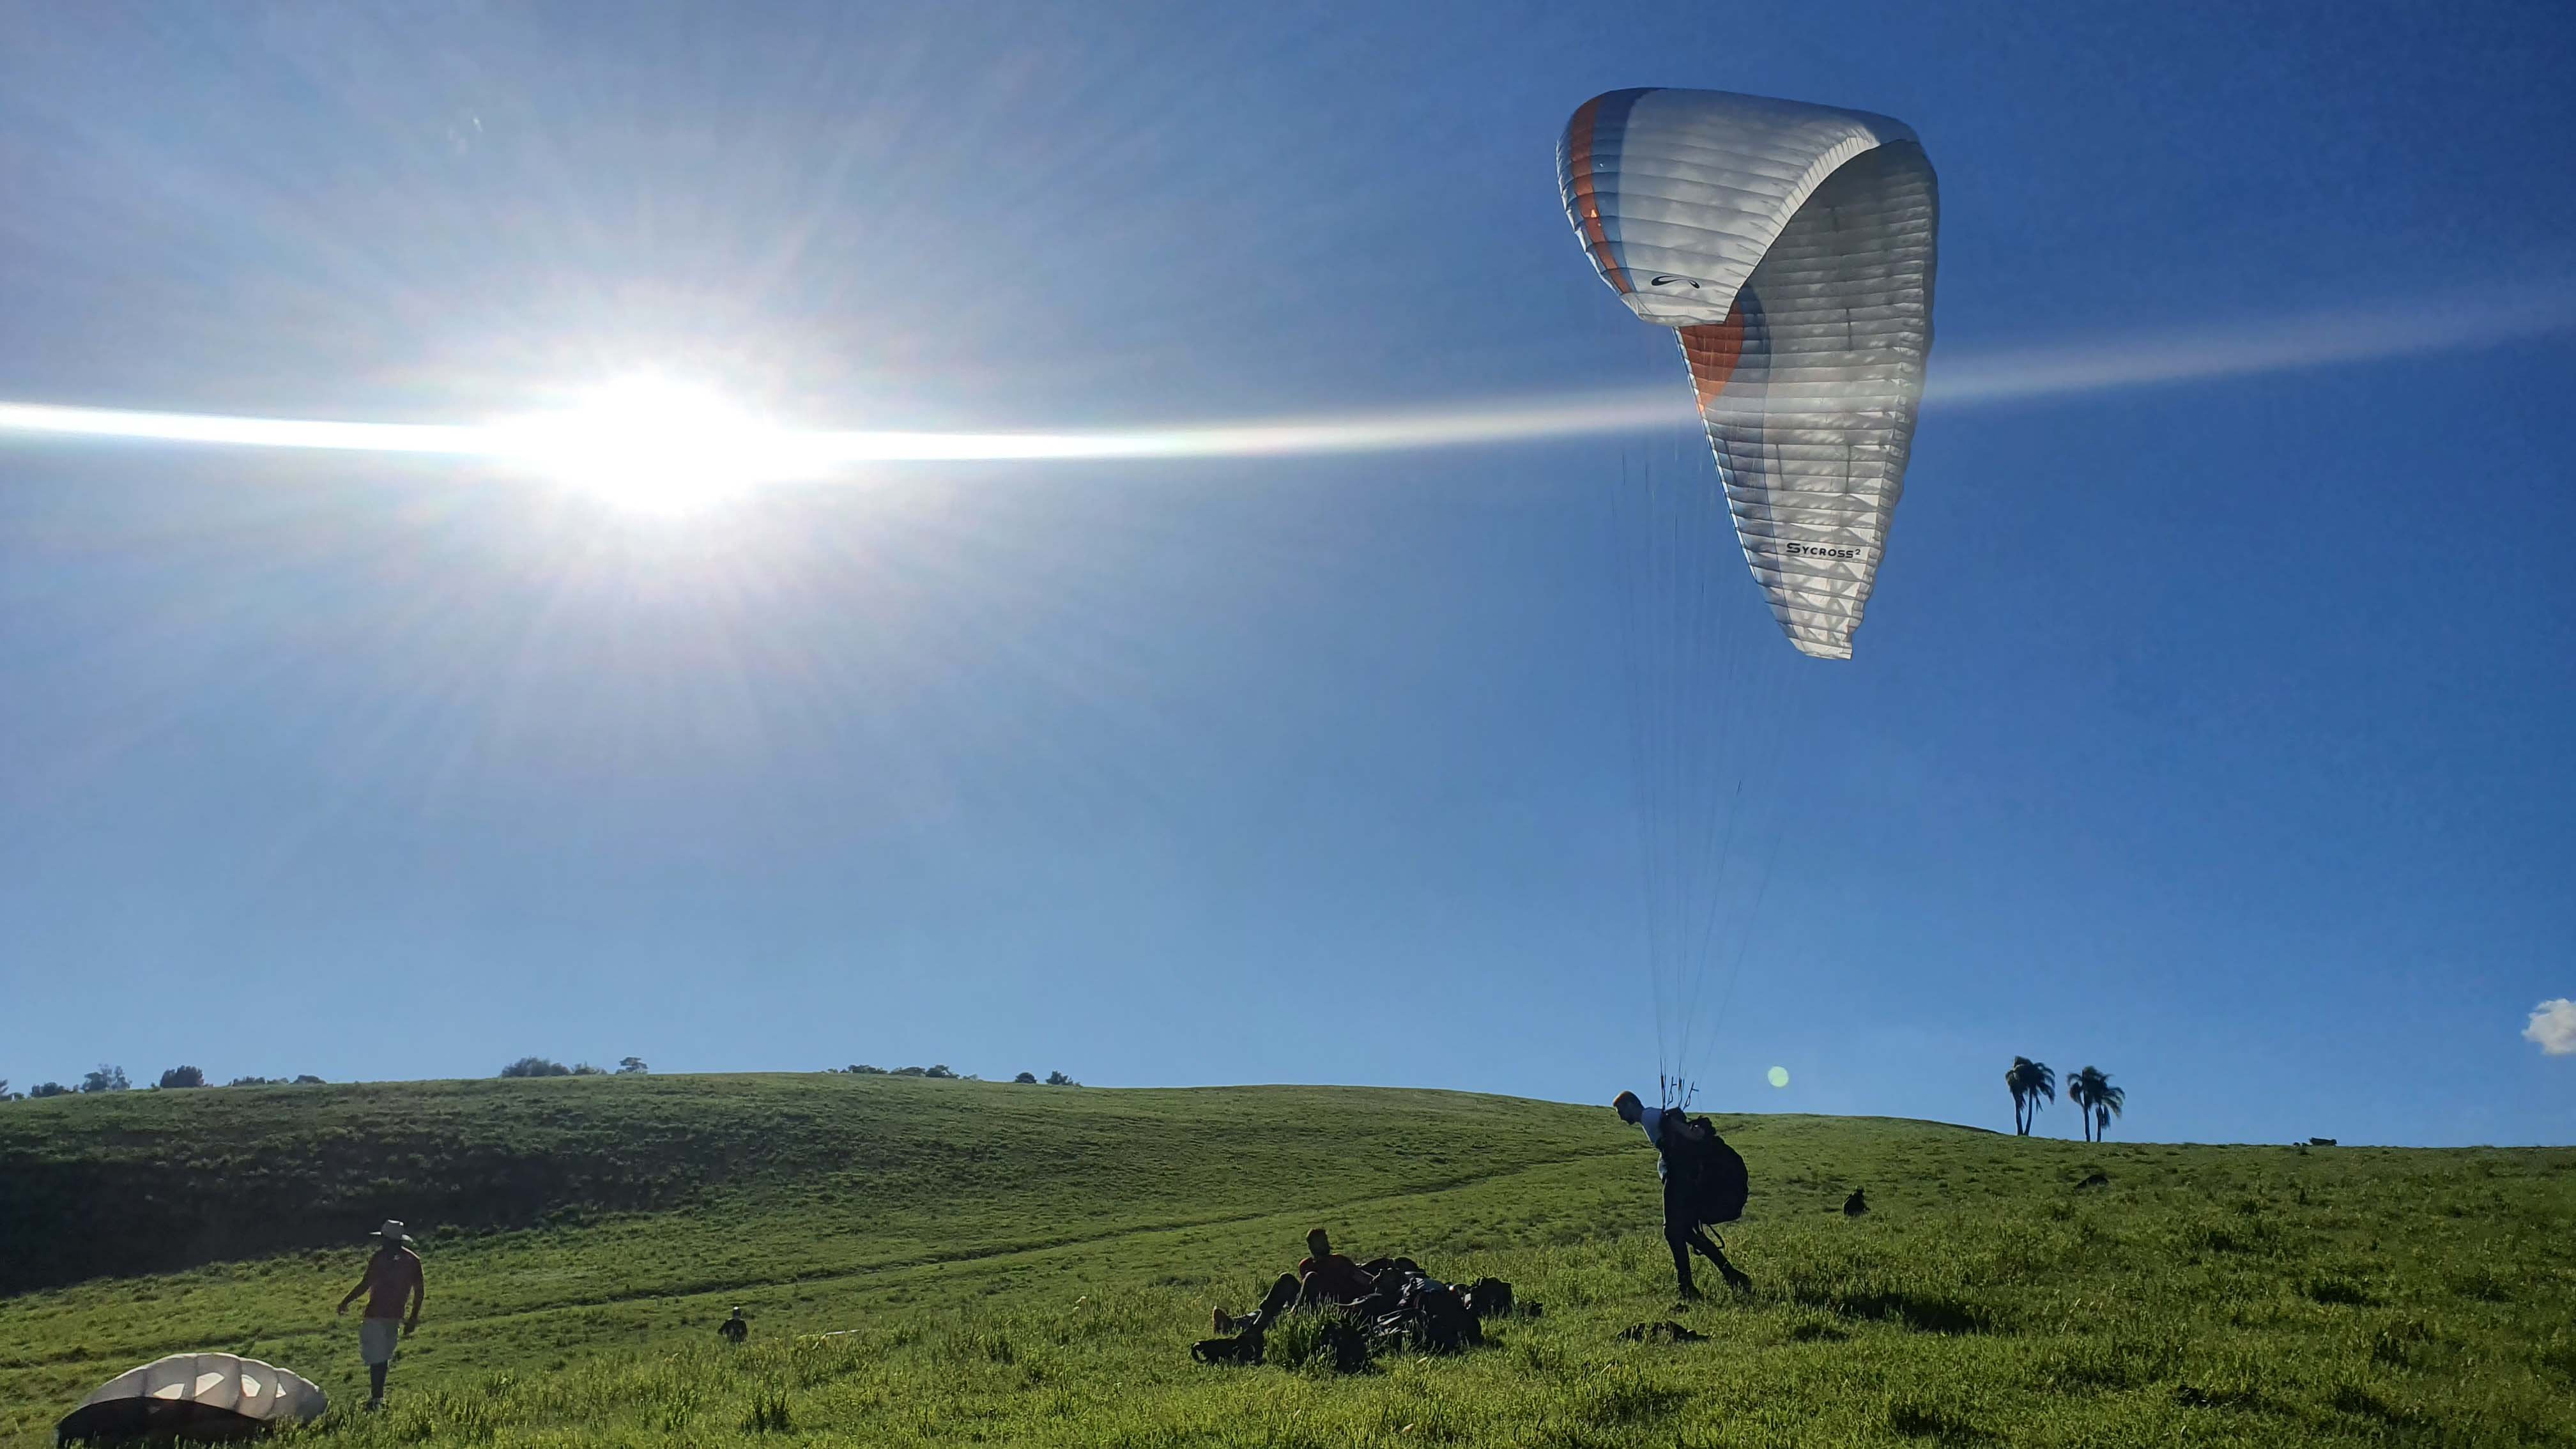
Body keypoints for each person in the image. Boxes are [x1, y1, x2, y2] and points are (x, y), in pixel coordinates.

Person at [1614, 1091, 1752, 1298]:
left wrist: (1694, 1134)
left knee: (1672, 1231)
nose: (1621, 1117)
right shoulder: (1650, 1118)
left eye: (1620, 1111)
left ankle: (1687, 1287)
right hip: (1684, 1179)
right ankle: (1730, 1275)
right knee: (1686, 1232)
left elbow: (1687, 1133)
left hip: (1679, 1180)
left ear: (1630, 1105)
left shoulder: (1651, 1116)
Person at [1212, 1228, 1381, 1335]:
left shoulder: (1339, 1261)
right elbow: (1304, 1290)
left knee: (1309, 1283)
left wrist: (1378, 1283)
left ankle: (1278, 1320)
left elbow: (1362, 1278)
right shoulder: (1306, 1265)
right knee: (1286, 1280)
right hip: (1305, 1302)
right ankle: (1236, 1323)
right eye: (1319, 1242)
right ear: (1311, 1247)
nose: (1323, 1244)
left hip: (1330, 1303)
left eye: (1324, 1241)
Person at [335, 1220, 424, 1409]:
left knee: (377, 1357)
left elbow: (365, 1284)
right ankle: (378, 1397)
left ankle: (376, 1399)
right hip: (395, 1315)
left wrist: (346, 1301)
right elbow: (419, 1291)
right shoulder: (413, 1261)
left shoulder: (380, 1259)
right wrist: (413, 1317)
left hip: (375, 1314)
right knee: (382, 1357)